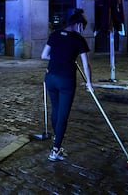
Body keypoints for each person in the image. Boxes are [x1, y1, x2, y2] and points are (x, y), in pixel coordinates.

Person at [41, 9, 94, 161]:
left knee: (56, 110)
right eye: (82, 27)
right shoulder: (78, 40)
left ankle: (56, 141)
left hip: (50, 77)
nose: (82, 30)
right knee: (63, 115)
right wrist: (89, 83)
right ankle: (55, 150)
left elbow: (44, 55)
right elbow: (86, 64)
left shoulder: (55, 34)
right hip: (66, 80)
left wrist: (59, 57)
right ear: (77, 25)